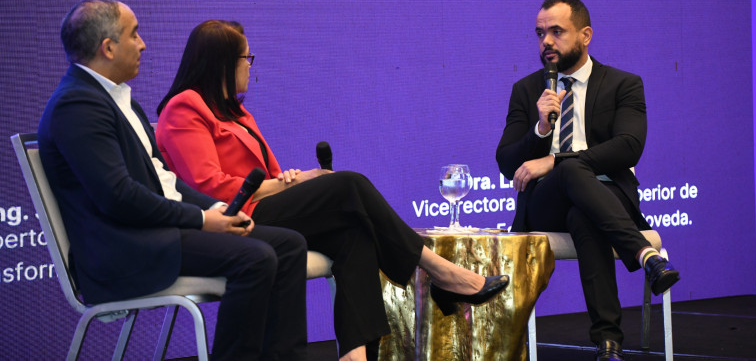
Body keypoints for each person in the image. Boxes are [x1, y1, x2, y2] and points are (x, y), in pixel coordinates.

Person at [155, 20, 510, 361]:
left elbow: (268, 175)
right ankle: (440, 270)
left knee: (354, 233)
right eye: (245, 57)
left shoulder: (236, 112)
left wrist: (288, 179)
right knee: (349, 184)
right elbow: (209, 186)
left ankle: (356, 354)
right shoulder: (184, 107)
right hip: (232, 218)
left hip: (263, 207)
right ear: (221, 62)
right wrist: (294, 182)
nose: (250, 65)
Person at [38, 0, 308, 361]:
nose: (143, 44)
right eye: (134, 34)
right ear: (108, 47)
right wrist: (201, 220)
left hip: (159, 233)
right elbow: (119, 196)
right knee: (255, 258)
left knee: (289, 245)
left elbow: (164, 180)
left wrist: (218, 209)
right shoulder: (77, 105)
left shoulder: (118, 99)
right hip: (125, 250)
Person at [495, 0, 680, 361]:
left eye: (557, 31)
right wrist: (540, 129)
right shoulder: (527, 90)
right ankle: (644, 255)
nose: (546, 41)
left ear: (585, 35)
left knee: (583, 211)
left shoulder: (623, 84)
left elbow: (629, 147)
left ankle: (608, 343)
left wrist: (555, 160)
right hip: (546, 202)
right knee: (569, 173)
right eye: (540, 33)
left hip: (609, 196)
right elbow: (506, 161)